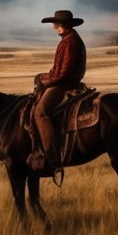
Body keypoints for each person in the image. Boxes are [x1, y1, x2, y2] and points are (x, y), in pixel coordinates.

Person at [31, 9, 87, 171]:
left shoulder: (70, 42)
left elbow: (63, 74)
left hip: (64, 85)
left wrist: (44, 80)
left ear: (63, 25)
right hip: (63, 81)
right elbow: (58, 69)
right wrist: (43, 76)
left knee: (40, 112)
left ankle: (52, 156)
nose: (54, 27)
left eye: (56, 23)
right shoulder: (69, 39)